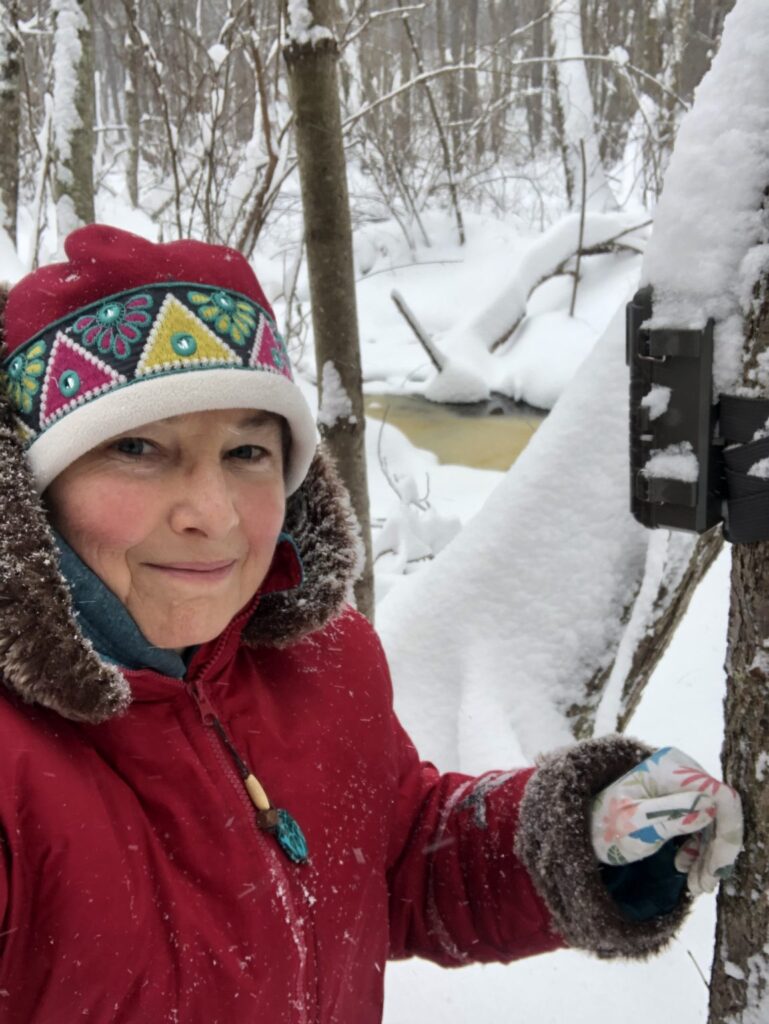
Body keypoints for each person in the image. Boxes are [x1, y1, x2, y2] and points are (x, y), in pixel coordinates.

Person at [0, 224, 742, 1023]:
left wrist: (577, 840)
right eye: (139, 448)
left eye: (247, 452)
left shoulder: (321, 661)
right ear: (33, 489)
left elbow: (391, 860)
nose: (211, 514)